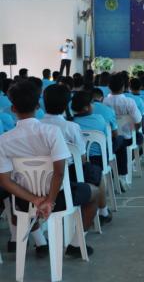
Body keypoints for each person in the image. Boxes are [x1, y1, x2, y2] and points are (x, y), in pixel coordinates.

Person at [0, 81, 98, 257]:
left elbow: (5, 181)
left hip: (25, 201)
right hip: (59, 198)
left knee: (16, 202)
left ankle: (41, 242)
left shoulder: (4, 140)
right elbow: (59, 172)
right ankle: (76, 244)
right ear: (38, 106)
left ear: (13, 109)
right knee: (95, 192)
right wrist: (49, 201)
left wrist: (35, 199)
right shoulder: (52, 132)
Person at [42, 84, 112, 225]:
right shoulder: (71, 127)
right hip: (67, 178)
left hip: (38, 181)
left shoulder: (37, 125)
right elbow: (81, 158)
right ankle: (101, 214)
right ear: (66, 104)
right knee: (96, 173)